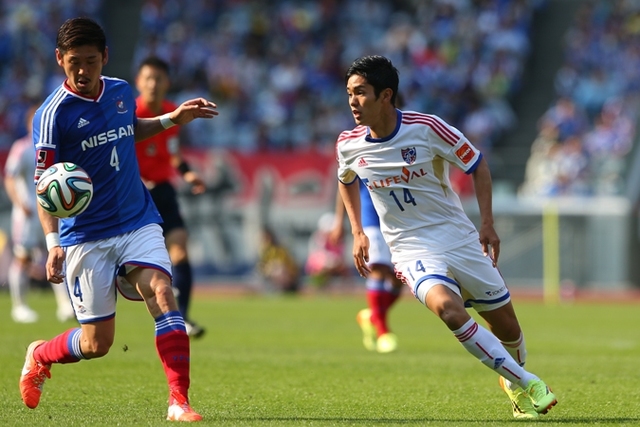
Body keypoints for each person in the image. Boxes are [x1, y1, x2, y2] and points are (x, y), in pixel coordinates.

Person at [335, 55, 558, 419]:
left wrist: (487, 223)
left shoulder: (427, 128)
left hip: (458, 238)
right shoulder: (348, 143)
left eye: (360, 92)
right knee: (448, 310)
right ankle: (528, 382)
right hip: (410, 247)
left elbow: (477, 164)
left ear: (385, 95)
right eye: (349, 93)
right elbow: (345, 179)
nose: (352, 102)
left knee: (508, 329)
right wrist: (357, 231)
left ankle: (513, 382)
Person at [20, 17, 218, 422]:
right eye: (74, 62)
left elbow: (128, 130)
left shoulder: (121, 92)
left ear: (105, 57)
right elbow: (44, 186)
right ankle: (40, 354)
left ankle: (178, 401)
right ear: (59, 59)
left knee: (162, 292)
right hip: (85, 235)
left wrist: (171, 119)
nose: (83, 71)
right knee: (97, 344)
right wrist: (52, 243)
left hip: (136, 219)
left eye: (91, 61)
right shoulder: (52, 115)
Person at [134, 56, 206, 338]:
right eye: (148, 78)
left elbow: (173, 153)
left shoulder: (172, 114)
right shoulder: (129, 113)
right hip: (134, 192)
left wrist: (188, 174)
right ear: (139, 82)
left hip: (163, 190)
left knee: (180, 249)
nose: (153, 84)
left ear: (167, 83)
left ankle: (183, 318)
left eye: (158, 78)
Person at [4, 105, 75, 324]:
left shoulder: (56, 145)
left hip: (52, 212)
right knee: (23, 258)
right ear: (30, 124)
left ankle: (65, 306)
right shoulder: (22, 147)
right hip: (27, 214)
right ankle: (19, 306)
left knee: (58, 256)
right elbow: (9, 177)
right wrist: (20, 203)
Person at [330, 181, 402, 353]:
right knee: (378, 269)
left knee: (401, 277)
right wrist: (339, 221)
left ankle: (372, 317)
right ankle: (383, 332)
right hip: (370, 217)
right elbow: (344, 183)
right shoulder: (359, 161)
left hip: (397, 219)